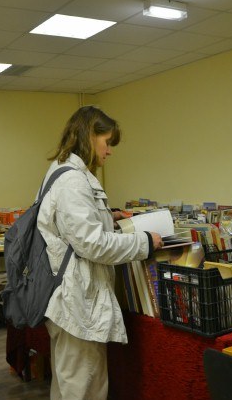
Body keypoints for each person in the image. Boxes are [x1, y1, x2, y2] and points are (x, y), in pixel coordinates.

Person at [37, 105, 163, 399]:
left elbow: (74, 229)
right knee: (84, 385)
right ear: (89, 135)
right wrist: (145, 242)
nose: (109, 151)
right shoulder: (72, 181)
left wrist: (107, 217)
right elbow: (91, 244)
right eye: (107, 142)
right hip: (77, 301)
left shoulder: (63, 172)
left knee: (72, 382)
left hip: (71, 299)